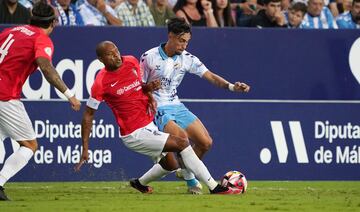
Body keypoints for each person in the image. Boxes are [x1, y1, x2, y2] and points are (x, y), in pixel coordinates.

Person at [75, 40, 240, 195]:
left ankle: (139, 183)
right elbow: (88, 115)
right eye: (110, 54)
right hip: (134, 133)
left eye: (116, 51)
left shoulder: (131, 61)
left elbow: (139, 87)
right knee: (182, 143)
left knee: (171, 164)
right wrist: (85, 148)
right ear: (101, 59)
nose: (116, 56)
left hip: (149, 123)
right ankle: (214, 187)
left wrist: (149, 91)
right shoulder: (100, 83)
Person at [140, 17, 250, 194]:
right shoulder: (149, 57)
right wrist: (149, 92)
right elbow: (139, 87)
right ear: (170, 36)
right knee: (182, 139)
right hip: (157, 107)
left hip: (176, 105)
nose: (184, 46)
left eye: (187, 42)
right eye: (181, 41)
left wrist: (231, 86)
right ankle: (193, 182)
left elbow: (211, 76)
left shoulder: (187, 58)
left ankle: (185, 170)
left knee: (206, 142)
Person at [0, 1, 81, 201]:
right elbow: (46, 67)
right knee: (29, 145)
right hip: (4, 96)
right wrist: (69, 94)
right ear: (53, 23)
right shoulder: (41, 39)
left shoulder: (12, 31)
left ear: (31, 18)